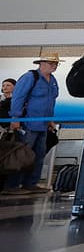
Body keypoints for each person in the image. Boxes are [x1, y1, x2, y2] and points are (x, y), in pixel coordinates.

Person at [3, 54, 61, 194]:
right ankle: (12, 185)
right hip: (28, 123)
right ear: (41, 63)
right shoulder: (30, 77)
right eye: (50, 63)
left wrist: (50, 120)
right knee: (22, 154)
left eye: (55, 64)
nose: (53, 66)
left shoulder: (52, 80)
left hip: (42, 124)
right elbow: (18, 97)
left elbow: (50, 101)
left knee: (39, 154)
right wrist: (15, 118)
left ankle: (30, 183)